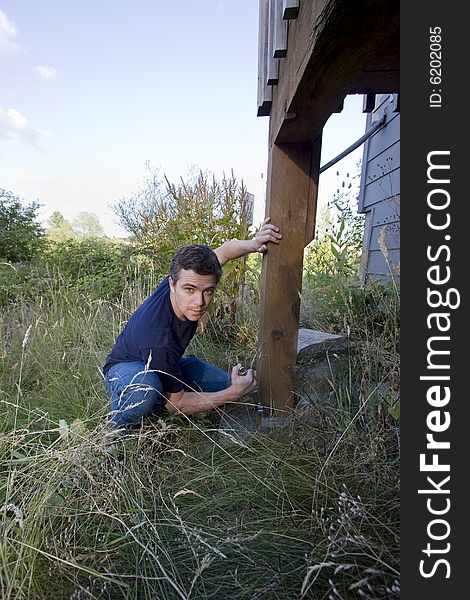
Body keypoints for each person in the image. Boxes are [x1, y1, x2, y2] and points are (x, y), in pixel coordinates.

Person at [103, 218, 282, 429]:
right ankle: (115, 437)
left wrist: (254, 244)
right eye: (190, 290)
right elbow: (176, 404)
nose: (199, 302)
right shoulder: (157, 335)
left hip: (168, 364)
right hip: (125, 369)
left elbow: (224, 251)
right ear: (172, 284)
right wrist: (232, 395)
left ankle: (163, 391)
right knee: (146, 390)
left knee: (226, 385)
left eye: (208, 291)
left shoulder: (189, 274)